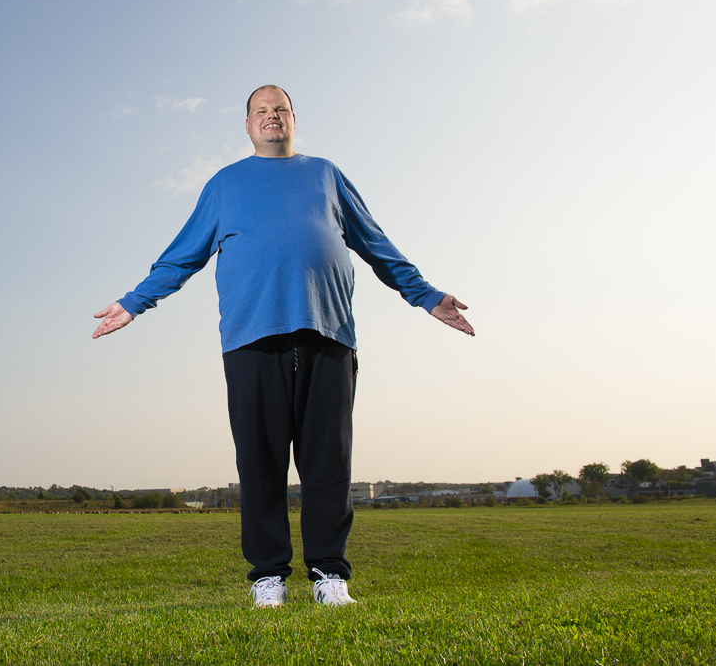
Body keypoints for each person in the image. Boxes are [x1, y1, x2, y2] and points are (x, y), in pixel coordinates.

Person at [92, 85, 474, 609]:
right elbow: (182, 256)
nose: (272, 117)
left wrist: (425, 295)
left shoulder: (326, 175)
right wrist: (135, 301)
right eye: (261, 111)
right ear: (248, 126)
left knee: (328, 465)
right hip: (252, 339)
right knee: (261, 464)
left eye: (281, 110)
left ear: (295, 119)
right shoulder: (225, 185)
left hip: (329, 334)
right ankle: (268, 577)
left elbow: (374, 243)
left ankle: (328, 576)